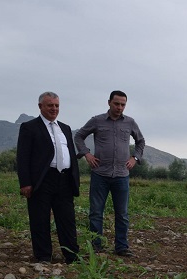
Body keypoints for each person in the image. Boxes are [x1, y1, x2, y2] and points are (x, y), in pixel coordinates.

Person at [74, 90, 145, 257]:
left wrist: (135, 157)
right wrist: (87, 154)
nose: (120, 107)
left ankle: (121, 247)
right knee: (96, 212)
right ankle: (96, 247)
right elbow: (79, 136)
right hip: (100, 174)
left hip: (121, 175)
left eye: (123, 104)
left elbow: (140, 141)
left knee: (122, 213)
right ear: (109, 103)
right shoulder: (97, 121)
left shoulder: (130, 122)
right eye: (117, 103)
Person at [16, 91, 80, 264]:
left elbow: (71, 155)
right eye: (50, 105)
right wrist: (25, 182)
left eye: (57, 105)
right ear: (40, 106)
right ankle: (43, 256)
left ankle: (72, 255)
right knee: (39, 218)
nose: (54, 109)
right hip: (42, 180)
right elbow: (22, 157)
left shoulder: (65, 128)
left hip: (64, 179)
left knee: (67, 219)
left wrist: (75, 178)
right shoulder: (29, 127)